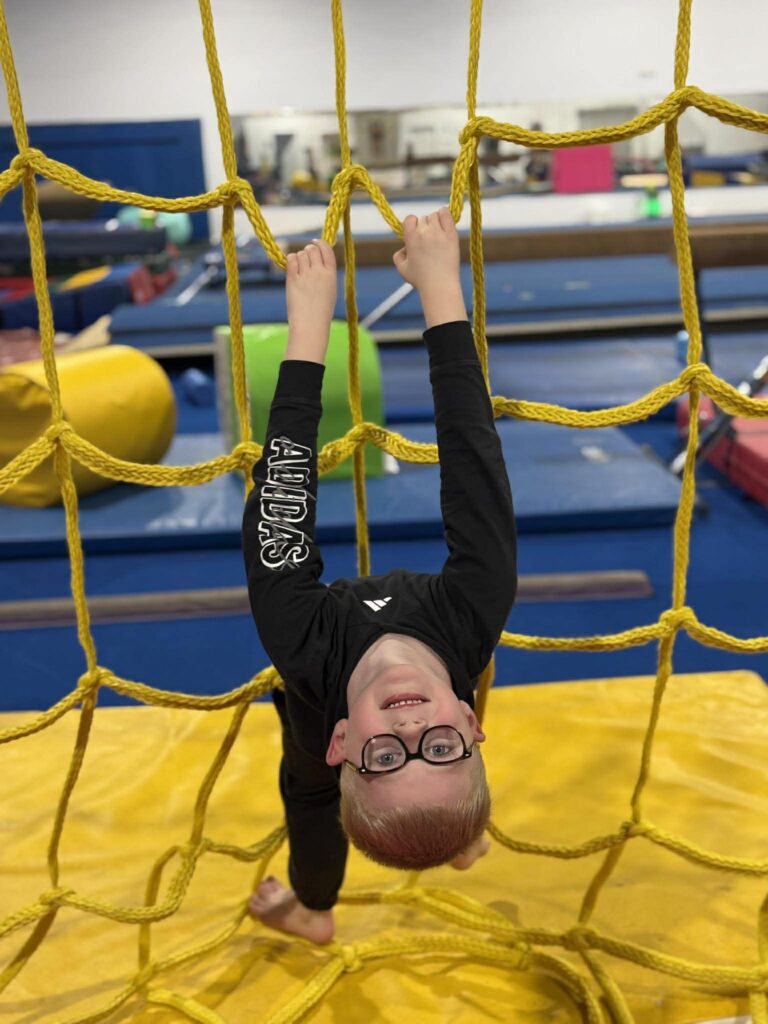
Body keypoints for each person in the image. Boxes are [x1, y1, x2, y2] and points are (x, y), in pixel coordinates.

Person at [242, 208, 517, 944]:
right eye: (440, 746)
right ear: (469, 723)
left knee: (302, 802)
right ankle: (452, 834)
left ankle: (314, 910)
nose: (413, 726)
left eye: (386, 756)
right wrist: (439, 293)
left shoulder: (300, 645)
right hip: (446, 655)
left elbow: (284, 492)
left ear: (344, 751)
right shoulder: (475, 610)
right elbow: (472, 461)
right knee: (425, 811)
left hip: (310, 702)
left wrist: (308, 332)